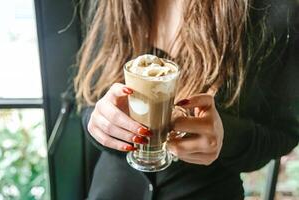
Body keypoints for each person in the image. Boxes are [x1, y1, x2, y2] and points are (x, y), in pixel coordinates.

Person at [74, 0, 299, 199]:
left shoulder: (273, 10)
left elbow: (283, 133)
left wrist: (226, 136)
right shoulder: (113, 5)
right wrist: (99, 123)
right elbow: (86, 102)